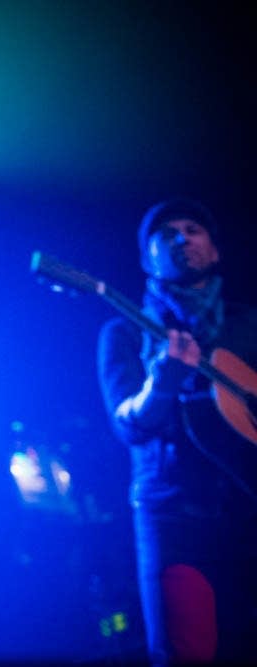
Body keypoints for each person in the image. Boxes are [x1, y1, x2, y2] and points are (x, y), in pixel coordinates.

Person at [97, 199, 257, 665]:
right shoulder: (125, 332)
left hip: (248, 505)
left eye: (193, 230)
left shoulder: (250, 324)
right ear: (148, 259)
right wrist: (161, 384)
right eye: (167, 234)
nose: (182, 238)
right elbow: (127, 424)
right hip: (174, 514)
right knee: (188, 651)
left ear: (215, 251)